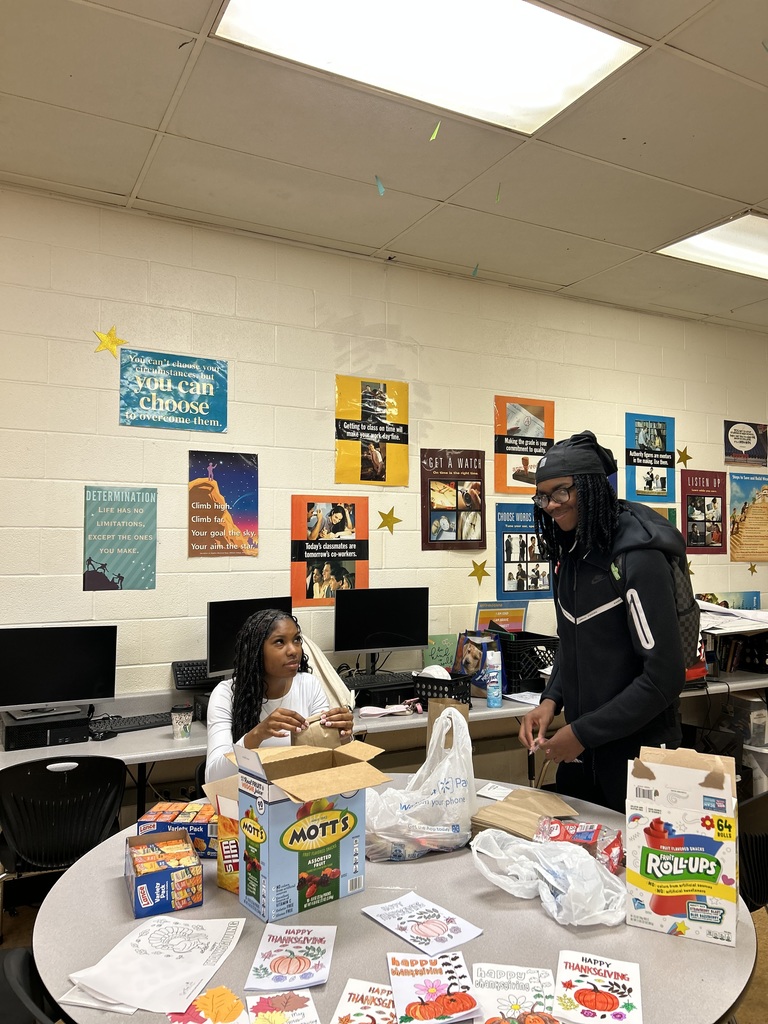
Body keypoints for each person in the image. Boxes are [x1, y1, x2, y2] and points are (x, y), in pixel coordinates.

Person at [518, 430, 686, 812]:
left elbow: (664, 678)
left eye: (561, 492)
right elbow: (572, 642)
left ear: (592, 487)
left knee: (633, 870)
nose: (550, 506)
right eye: (542, 496)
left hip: (639, 761)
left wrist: (582, 733)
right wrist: (550, 701)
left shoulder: (636, 556)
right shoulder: (568, 556)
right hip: (582, 757)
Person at [205, 608, 354, 782]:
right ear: (256, 650)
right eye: (279, 642)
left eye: (297, 640)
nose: (293, 651)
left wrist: (342, 735)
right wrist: (257, 735)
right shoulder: (225, 694)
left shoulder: (309, 684)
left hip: (299, 793)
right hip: (248, 800)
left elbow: (324, 759)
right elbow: (213, 778)